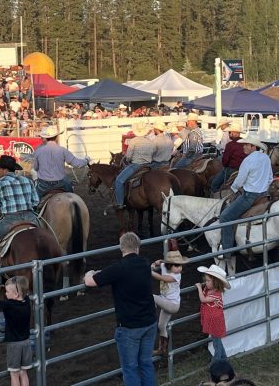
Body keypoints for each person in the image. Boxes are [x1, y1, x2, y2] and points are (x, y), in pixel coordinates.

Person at [84, 232, 157, 386]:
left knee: (130, 368)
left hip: (129, 327)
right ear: (138, 248)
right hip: (150, 322)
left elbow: (90, 282)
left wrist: (90, 273)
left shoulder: (118, 269)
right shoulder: (145, 263)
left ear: (121, 248)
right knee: (146, 363)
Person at [0, 155, 39, 288]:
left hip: (11, 219)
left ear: (4, 170)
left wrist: (5, 207)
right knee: (47, 235)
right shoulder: (27, 180)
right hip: (31, 217)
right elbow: (35, 201)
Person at [219, 135, 273, 258]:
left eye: (246, 145)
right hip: (264, 194)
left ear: (253, 146)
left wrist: (233, 189)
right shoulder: (265, 157)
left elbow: (239, 181)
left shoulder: (248, 160)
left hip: (250, 196)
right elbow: (270, 178)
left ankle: (226, 251)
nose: (243, 147)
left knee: (225, 217)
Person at [0, 276, 32, 386]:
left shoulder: (8, 305)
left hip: (14, 345)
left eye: (7, 292)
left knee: (14, 374)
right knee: (23, 372)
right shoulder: (27, 301)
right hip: (26, 342)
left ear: (16, 294)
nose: (6, 294)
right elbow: (24, 295)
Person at [32, 125, 90, 198]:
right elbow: (78, 164)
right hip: (61, 183)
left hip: (44, 184)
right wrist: (86, 160)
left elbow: (36, 168)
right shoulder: (62, 150)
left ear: (45, 138)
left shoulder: (38, 151)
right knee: (72, 197)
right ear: (56, 137)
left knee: (35, 201)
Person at [150, 250, 189, 356]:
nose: (179, 268)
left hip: (172, 305)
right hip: (166, 301)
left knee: (150, 296)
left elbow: (162, 278)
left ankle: (150, 312)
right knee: (161, 325)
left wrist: (150, 271)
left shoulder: (177, 276)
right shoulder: (164, 265)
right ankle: (162, 349)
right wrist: (157, 262)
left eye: (180, 265)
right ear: (169, 265)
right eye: (177, 266)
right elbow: (162, 262)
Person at [113, 123, 155, 209]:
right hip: (149, 166)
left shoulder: (133, 141)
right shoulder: (150, 142)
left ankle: (120, 203)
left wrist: (128, 160)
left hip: (136, 165)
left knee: (119, 181)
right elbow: (152, 154)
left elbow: (128, 156)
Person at [196, 264, 230, 364]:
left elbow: (203, 299)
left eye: (208, 281)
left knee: (216, 344)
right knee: (217, 341)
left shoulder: (216, 294)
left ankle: (215, 364)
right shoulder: (210, 290)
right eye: (205, 280)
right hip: (213, 320)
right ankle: (224, 360)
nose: (205, 283)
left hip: (215, 321)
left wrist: (198, 287)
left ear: (215, 282)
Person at [210, 124, 246, 193]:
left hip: (231, 170)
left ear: (233, 133)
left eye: (230, 132)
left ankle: (214, 196)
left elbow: (225, 161)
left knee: (214, 184)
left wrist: (225, 165)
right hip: (244, 169)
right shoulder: (246, 143)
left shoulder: (230, 145)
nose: (229, 134)